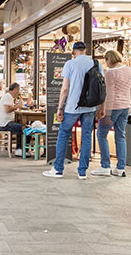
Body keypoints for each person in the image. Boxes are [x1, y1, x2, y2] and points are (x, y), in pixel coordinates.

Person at [43, 41, 102, 180]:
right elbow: (101, 87)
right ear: (86, 50)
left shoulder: (70, 64)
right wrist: (101, 107)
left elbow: (64, 89)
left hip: (72, 106)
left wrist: (59, 108)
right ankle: (82, 172)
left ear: (74, 52)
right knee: (87, 136)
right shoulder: (96, 64)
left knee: (63, 134)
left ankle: (58, 169)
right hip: (90, 106)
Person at [93, 49, 131, 177]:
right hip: (125, 106)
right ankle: (120, 168)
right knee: (120, 136)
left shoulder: (110, 73)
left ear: (109, 59)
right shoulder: (128, 70)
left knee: (101, 134)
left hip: (113, 107)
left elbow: (109, 94)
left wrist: (104, 111)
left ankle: (105, 166)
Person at [0, 82, 26, 155]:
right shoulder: (8, 96)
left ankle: (20, 149)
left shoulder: (8, 96)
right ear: (15, 89)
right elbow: (7, 109)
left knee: (21, 127)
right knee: (24, 128)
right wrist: (18, 106)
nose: (18, 93)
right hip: (5, 124)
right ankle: (20, 150)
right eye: (18, 90)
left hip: (5, 123)